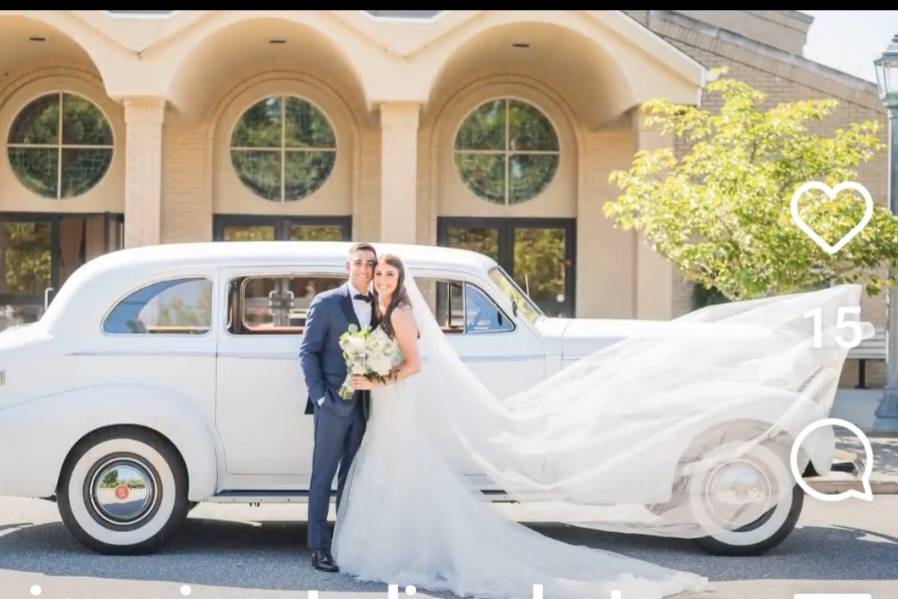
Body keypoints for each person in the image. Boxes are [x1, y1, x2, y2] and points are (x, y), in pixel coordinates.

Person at [333, 253, 711, 599]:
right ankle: (398, 541)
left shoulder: (399, 311)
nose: (381, 277)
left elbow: (413, 364)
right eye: (377, 272)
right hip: (385, 403)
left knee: (399, 466)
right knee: (388, 467)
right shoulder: (381, 308)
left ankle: (405, 545)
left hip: (393, 399)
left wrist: (377, 381)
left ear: (400, 279)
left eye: (388, 273)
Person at [299, 242, 379, 573]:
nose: (364, 269)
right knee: (323, 476)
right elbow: (308, 351)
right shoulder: (327, 302)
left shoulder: (381, 304)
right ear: (348, 267)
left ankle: (343, 543)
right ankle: (317, 547)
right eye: (358, 262)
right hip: (332, 404)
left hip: (367, 406)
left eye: (369, 264)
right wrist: (320, 398)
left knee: (352, 478)